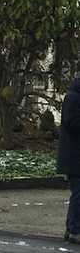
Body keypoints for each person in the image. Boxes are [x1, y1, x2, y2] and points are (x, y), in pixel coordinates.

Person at [57, 75, 80, 244]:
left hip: (75, 155)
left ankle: (71, 228)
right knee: (78, 194)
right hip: (74, 156)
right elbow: (71, 122)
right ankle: (74, 230)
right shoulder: (73, 97)